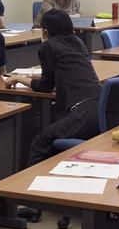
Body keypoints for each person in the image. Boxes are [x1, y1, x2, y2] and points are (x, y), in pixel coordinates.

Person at [6, 10, 101, 166]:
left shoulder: (49, 45)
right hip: (100, 107)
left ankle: (29, 182)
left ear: (45, 31)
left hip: (81, 115)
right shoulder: (78, 41)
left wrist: (19, 78)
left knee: (40, 142)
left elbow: (45, 86)